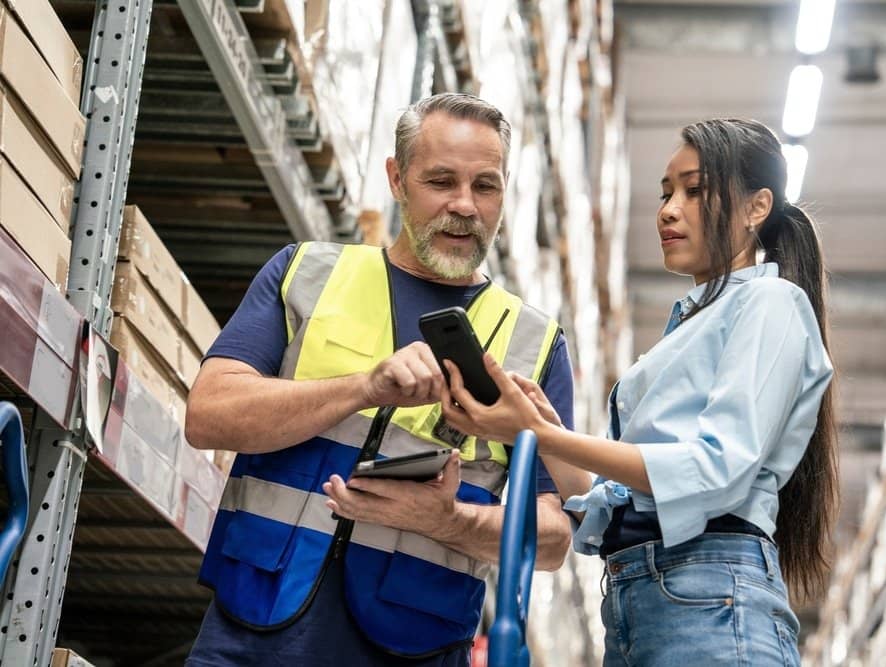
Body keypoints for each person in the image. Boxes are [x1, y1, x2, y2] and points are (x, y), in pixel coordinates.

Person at [184, 93, 574, 667]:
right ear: (397, 179)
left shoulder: (533, 344)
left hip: (415, 645)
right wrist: (363, 387)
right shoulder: (307, 273)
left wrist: (448, 520)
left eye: (485, 186)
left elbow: (554, 538)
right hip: (254, 628)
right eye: (441, 181)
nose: (464, 206)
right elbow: (208, 414)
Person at [441, 118, 837, 666]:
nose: (669, 210)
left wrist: (536, 432)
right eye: (666, 192)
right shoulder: (685, 332)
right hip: (640, 600)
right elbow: (608, 508)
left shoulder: (771, 306)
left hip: (710, 599)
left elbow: (714, 471)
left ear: (756, 207)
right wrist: (545, 434)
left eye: (694, 191)